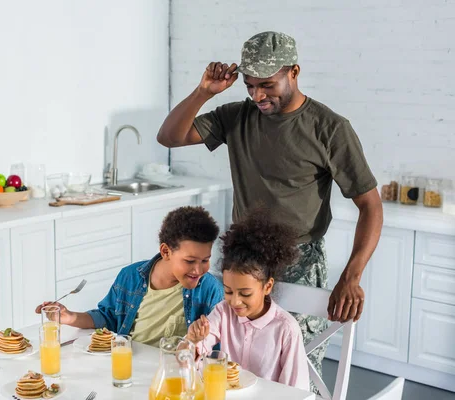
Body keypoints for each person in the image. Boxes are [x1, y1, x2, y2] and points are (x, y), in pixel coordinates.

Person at [157, 31, 383, 383]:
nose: (258, 95)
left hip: (300, 264)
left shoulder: (330, 128)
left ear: (293, 72)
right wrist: (203, 92)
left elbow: (370, 205)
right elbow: (169, 136)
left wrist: (351, 276)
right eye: (249, 85)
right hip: (240, 263)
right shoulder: (236, 117)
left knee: (300, 374)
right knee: (228, 364)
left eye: (267, 84)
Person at [35, 206, 224, 346]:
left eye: (205, 260)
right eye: (190, 261)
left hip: (175, 372)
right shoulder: (131, 277)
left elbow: (215, 345)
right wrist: (69, 317)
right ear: (166, 251)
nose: (198, 270)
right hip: (128, 363)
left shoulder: (209, 289)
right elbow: (107, 317)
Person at [187, 211, 309, 390]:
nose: (235, 302)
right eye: (228, 291)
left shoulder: (286, 330)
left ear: (267, 287)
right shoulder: (223, 312)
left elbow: (297, 392)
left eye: (245, 294)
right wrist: (192, 340)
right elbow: (187, 361)